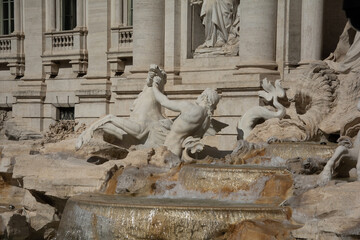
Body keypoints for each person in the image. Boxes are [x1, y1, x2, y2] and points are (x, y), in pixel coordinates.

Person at [152, 77, 220, 156]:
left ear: (204, 97)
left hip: (170, 148)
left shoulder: (191, 107)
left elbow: (164, 102)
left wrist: (155, 86)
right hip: (178, 149)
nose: (198, 97)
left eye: (201, 95)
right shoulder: (206, 119)